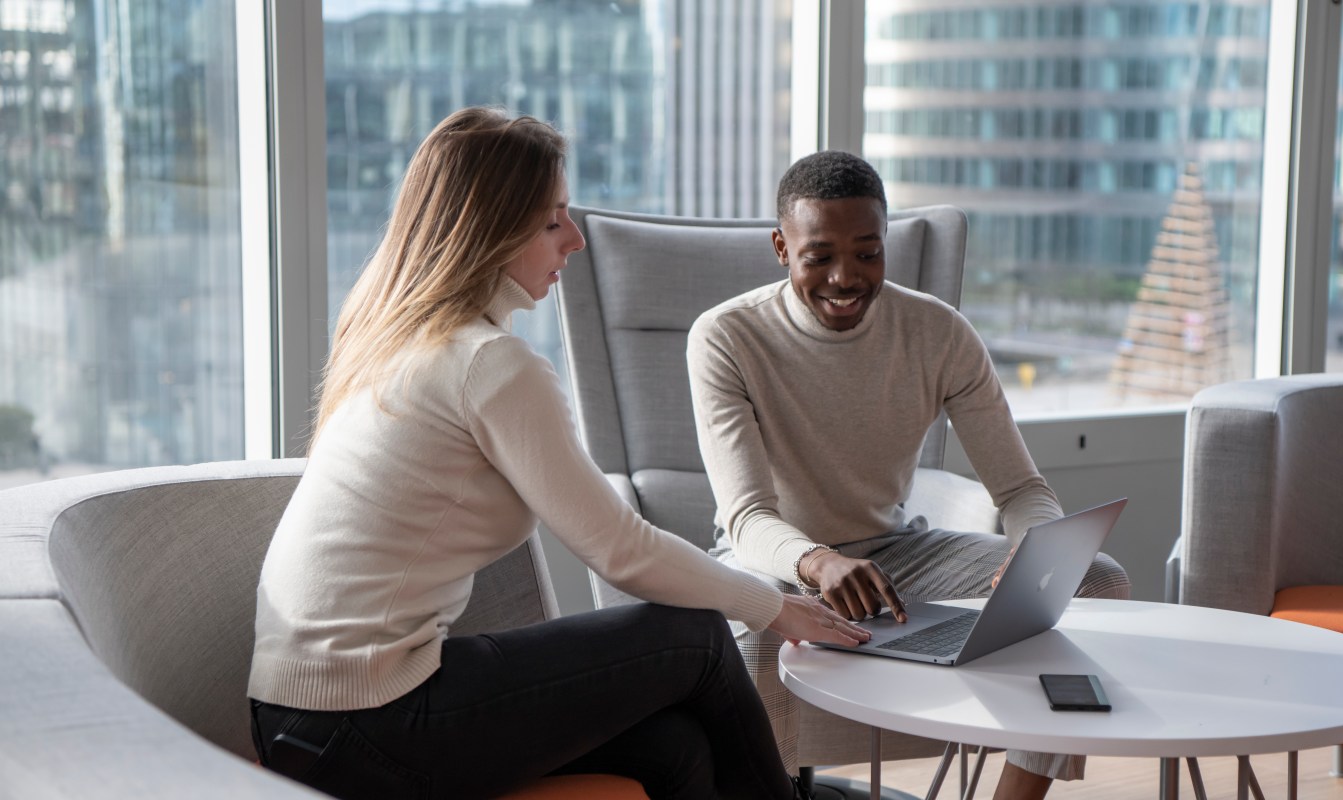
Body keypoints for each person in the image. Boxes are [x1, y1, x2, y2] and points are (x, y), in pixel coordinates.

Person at [246, 108, 870, 800]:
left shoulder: (401, 339)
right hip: (364, 723)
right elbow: (622, 551)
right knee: (694, 638)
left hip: (307, 721)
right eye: (552, 221)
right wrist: (774, 606)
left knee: (674, 751)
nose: (574, 240)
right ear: (489, 228)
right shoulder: (488, 364)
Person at [687, 150, 1132, 800]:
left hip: (895, 553)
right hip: (773, 560)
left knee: (1095, 579)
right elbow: (748, 518)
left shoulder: (937, 333)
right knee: (761, 630)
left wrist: (1033, 549)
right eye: (820, 256)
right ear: (782, 247)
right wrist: (816, 562)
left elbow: (1020, 490)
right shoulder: (726, 337)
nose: (846, 277)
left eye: (867, 253)